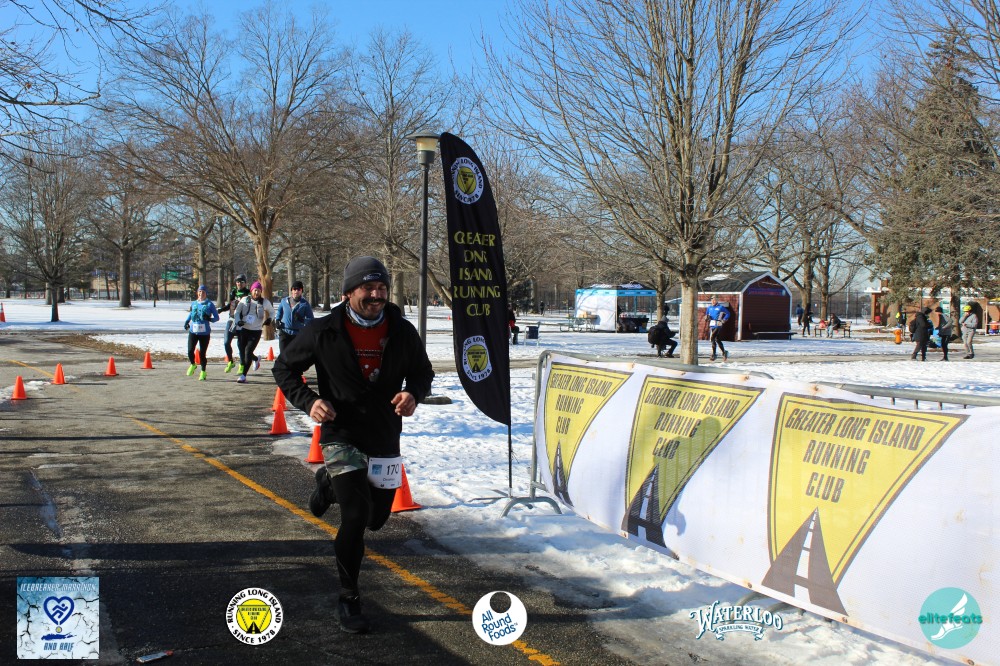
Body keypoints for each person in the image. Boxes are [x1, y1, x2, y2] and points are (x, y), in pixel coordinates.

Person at [272, 256, 434, 634]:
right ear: (348, 293)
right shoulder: (324, 330)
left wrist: (413, 393)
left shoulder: (401, 330)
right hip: (340, 433)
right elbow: (284, 368)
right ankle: (349, 598)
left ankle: (328, 485)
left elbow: (422, 373)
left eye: (382, 288)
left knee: (377, 519)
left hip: (384, 434)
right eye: (368, 288)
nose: (376, 296)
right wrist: (309, 400)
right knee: (357, 516)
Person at [233, 281, 275, 383]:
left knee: (248, 351)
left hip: (256, 331)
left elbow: (272, 312)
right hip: (244, 329)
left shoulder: (264, 302)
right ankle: (255, 359)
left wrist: (270, 319)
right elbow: (237, 312)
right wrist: (238, 321)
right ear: (251, 290)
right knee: (243, 351)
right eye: (255, 290)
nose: (257, 292)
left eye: (259, 291)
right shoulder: (244, 300)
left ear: (261, 292)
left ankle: (243, 375)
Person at [183, 285, 220, 380]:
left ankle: (203, 372)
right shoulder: (194, 303)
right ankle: (193, 364)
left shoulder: (210, 304)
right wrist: (186, 322)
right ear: (197, 293)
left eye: (203, 292)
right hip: (193, 331)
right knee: (190, 351)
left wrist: (209, 319)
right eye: (199, 291)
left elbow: (217, 318)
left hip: (204, 333)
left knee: (202, 354)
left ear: (206, 293)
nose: (201, 294)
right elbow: (191, 314)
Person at [218, 274, 250, 372]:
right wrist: (222, 309)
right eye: (237, 282)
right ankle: (231, 361)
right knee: (226, 342)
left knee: (241, 345)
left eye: (241, 282)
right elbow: (230, 305)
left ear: (245, 283)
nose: (239, 284)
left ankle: (242, 364)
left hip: (241, 321)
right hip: (231, 320)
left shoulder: (248, 293)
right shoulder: (233, 292)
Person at [274, 280, 315, 354]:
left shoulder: (305, 304)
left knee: (294, 356)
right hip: (284, 332)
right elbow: (279, 311)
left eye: (298, 289)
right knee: (283, 355)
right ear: (291, 290)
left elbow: (311, 320)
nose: (296, 291)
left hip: (297, 334)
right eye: (294, 289)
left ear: (301, 291)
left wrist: (302, 320)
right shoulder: (284, 301)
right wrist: (277, 320)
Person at [705, 296, 730, 361]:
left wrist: (724, 319)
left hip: (718, 324)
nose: (713, 301)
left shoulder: (720, 307)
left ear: (717, 301)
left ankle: (714, 354)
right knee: (717, 339)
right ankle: (724, 352)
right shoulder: (709, 307)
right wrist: (707, 318)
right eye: (712, 300)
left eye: (715, 300)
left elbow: (728, 313)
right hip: (712, 324)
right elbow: (707, 315)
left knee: (712, 338)